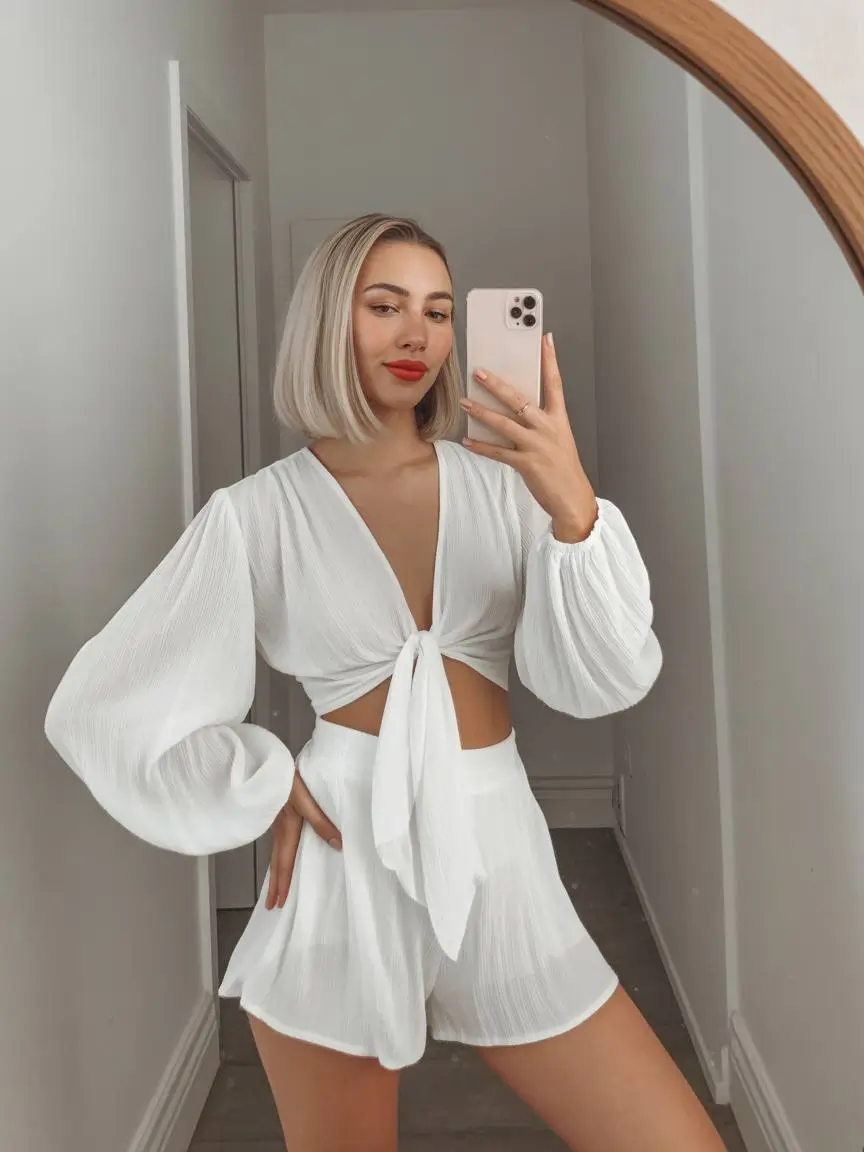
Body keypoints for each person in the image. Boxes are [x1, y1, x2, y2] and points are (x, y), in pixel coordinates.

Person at [44, 214, 726, 1152]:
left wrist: (574, 506)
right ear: (331, 320)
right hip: (339, 861)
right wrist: (260, 776)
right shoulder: (254, 515)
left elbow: (599, 678)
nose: (418, 335)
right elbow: (102, 705)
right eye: (385, 306)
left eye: (439, 312)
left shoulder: (506, 486)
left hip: (501, 853)